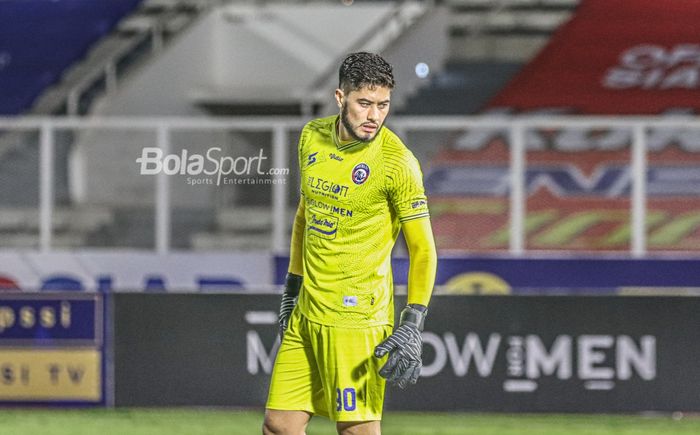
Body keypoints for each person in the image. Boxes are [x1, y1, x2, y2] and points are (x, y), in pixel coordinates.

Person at [263, 52, 437, 435]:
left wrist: (413, 322)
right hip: (307, 311)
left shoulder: (397, 163)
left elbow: (423, 249)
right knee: (279, 425)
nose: (374, 115)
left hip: (357, 318)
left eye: (383, 105)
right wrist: (292, 289)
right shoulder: (311, 137)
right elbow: (305, 216)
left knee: (356, 430)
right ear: (340, 98)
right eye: (364, 103)